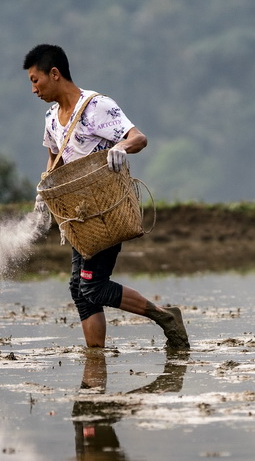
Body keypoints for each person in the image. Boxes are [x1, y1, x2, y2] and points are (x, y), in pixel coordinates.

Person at [23, 43, 188, 351]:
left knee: (93, 287)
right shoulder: (50, 118)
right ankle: (95, 357)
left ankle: (166, 317)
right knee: (79, 288)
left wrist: (120, 148)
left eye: (35, 79)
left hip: (105, 212)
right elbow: (54, 160)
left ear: (54, 74)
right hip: (78, 218)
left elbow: (138, 138)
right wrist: (43, 196)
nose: (33, 88)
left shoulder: (96, 107)